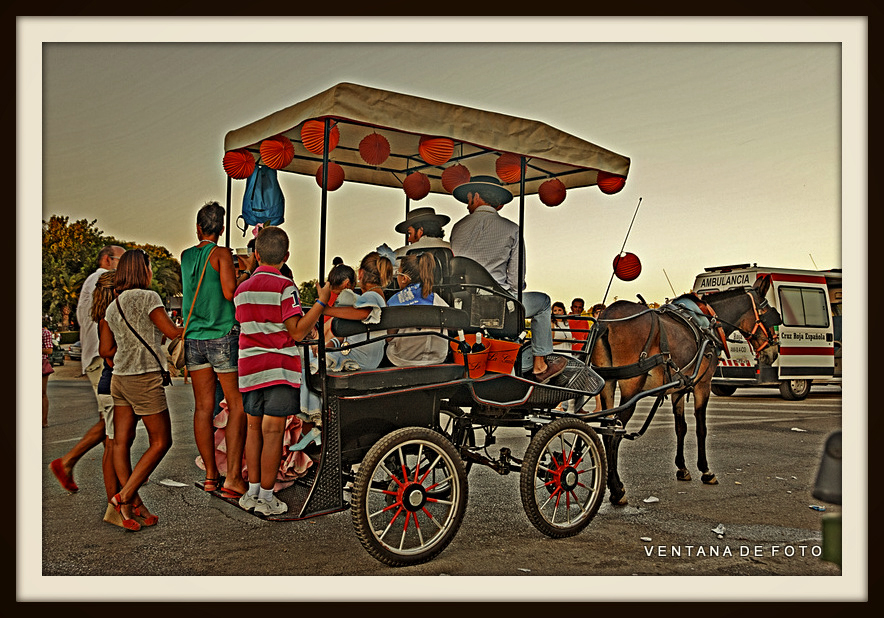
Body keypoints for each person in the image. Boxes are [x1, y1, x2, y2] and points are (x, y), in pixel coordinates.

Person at [234, 226, 331, 516]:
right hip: (278, 369)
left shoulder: (242, 290)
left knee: (253, 430)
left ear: (255, 253)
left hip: (249, 368)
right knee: (273, 432)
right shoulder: (285, 287)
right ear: (286, 256)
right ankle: (266, 496)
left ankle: (251, 493)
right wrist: (321, 303)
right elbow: (298, 332)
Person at [449, 175, 566, 383]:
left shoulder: (457, 228)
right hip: (500, 308)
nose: (468, 204)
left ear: (476, 196)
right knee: (544, 302)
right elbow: (516, 283)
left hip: (463, 308)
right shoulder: (511, 229)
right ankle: (540, 365)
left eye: (469, 199)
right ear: (499, 204)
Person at [104, 249, 183, 530]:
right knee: (162, 441)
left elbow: (112, 346)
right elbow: (173, 332)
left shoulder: (112, 306)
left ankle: (130, 507)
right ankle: (123, 497)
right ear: (143, 269)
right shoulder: (149, 297)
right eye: (149, 266)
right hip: (144, 377)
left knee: (121, 443)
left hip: (119, 378)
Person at [180, 201, 248, 498]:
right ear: (221, 229)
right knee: (236, 406)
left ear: (198, 227)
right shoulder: (221, 254)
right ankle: (232, 476)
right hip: (221, 335)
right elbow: (228, 292)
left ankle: (210, 474)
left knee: (203, 408)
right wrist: (244, 273)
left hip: (193, 338)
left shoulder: (185, 256)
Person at [49, 244, 125, 494]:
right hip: (102, 355)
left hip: (95, 353)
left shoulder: (93, 281)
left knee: (111, 418)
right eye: (120, 261)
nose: (124, 268)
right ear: (107, 259)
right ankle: (69, 461)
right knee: (111, 418)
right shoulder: (101, 280)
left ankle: (118, 470)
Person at [299, 251, 393, 432]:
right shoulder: (374, 296)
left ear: (361, 274)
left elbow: (364, 313)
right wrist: (329, 345)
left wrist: (325, 310)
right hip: (356, 354)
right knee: (311, 361)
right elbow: (344, 336)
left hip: (360, 360)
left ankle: (314, 423)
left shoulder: (371, 297)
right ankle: (316, 424)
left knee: (306, 366)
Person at [385, 252, 451, 366]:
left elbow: (389, 338)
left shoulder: (395, 301)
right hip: (437, 358)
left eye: (398, 274)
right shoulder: (437, 300)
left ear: (404, 278)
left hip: (403, 359)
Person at [42, 326, 54, 427]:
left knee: (42, 393)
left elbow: (49, 350)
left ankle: (44, 421)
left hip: (41, 363)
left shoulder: (45, 332)